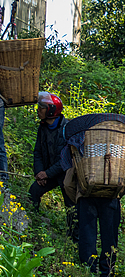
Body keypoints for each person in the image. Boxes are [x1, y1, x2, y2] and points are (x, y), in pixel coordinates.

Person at [27, 92, 76, 239]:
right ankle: (32, 223)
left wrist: (47, 173)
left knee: (72, 207)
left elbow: (67, 159)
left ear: (51, 109)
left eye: (41, 107)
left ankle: (74, 238)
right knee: (33, 191)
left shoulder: (67, 128)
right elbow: (38, 152)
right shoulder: (42, 128)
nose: (38, 110)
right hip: (48, 173)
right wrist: (39, 172)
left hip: (66, 174)